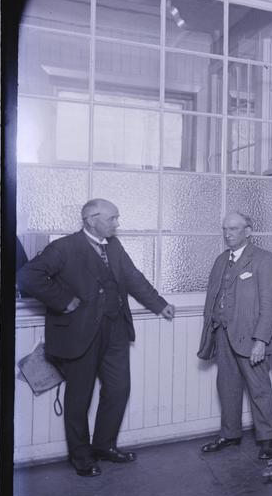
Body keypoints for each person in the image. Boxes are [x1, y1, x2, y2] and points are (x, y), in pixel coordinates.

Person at [17, 198, 175, 477]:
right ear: (92, 219)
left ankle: (104, 446)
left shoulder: (113, 246)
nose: (117, 223)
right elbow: (28, 276)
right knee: (80, 397)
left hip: (115, 330)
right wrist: (64, 300)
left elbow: (133, 277)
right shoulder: (63, 248)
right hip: (79, 334)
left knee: (118, 389)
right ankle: (81, 456)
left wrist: (159, 304)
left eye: (117, 218)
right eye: (113, 218)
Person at [198, 212, 272, 460]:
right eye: (225, 229)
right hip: (223, 335)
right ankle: (230, 434)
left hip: (251, 337)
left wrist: (261, 341)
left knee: (259, 389)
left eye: (233, 229)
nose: (228, 234)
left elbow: (270, 305)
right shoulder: (221, 260)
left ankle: (267, 440)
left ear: (248, 231)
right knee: (227, 387)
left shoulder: (264, 260)